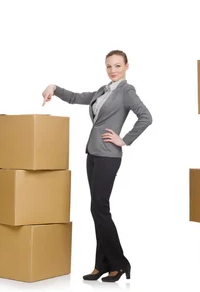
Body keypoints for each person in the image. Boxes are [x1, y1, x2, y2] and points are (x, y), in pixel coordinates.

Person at [41, 50, 152, 283]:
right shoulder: (103, 91)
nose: (113, 70)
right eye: (109, 66)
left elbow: (146, 116)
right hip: (92, 154)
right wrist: (54, 87)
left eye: (118, 66)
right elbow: (76, 97)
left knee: (100, 208)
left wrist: (125, 139)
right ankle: (102, 264)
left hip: (108, 156)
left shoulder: (126, 91)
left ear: (127, 67)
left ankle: (119, 263)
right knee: (96, 209)